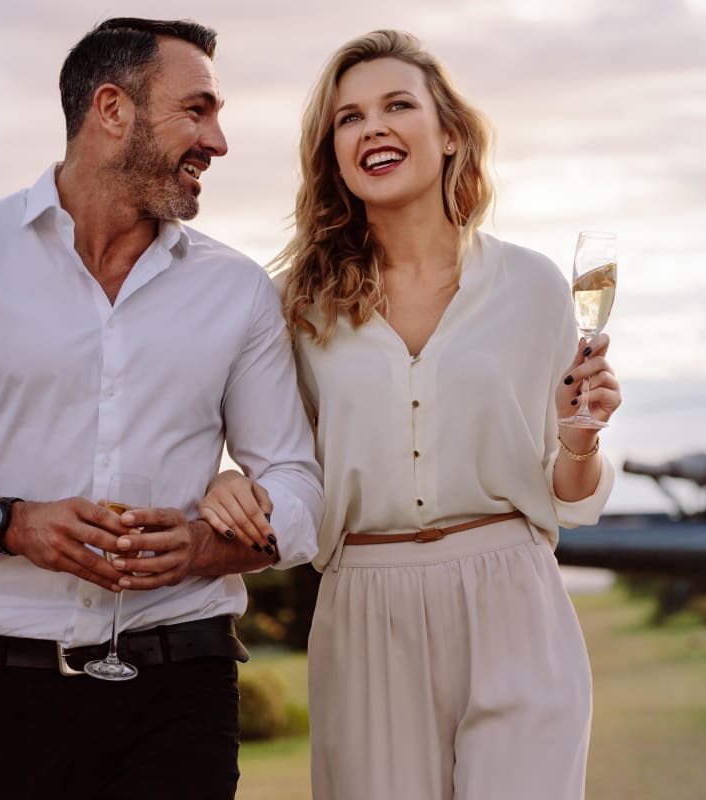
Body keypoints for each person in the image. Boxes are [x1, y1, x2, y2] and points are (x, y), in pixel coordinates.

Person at [0, 17, 322, 800]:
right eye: (197, 111)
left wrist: (199, 548)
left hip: (185, 693)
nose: (218, 141)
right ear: (112, 109)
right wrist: (11, 523)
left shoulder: (237, 292)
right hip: (9, 700)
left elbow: (299, 486)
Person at [198, 29, 621, 800]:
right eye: (349, 117)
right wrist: (226, 483)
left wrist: (579, 438)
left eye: (398, 104)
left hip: (513, 598)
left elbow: (570, 494)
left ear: (449, 132)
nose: (374, 128)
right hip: (365, 606)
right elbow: (279, 460)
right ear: (334, 151)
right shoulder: (298, 303)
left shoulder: (531, 286)